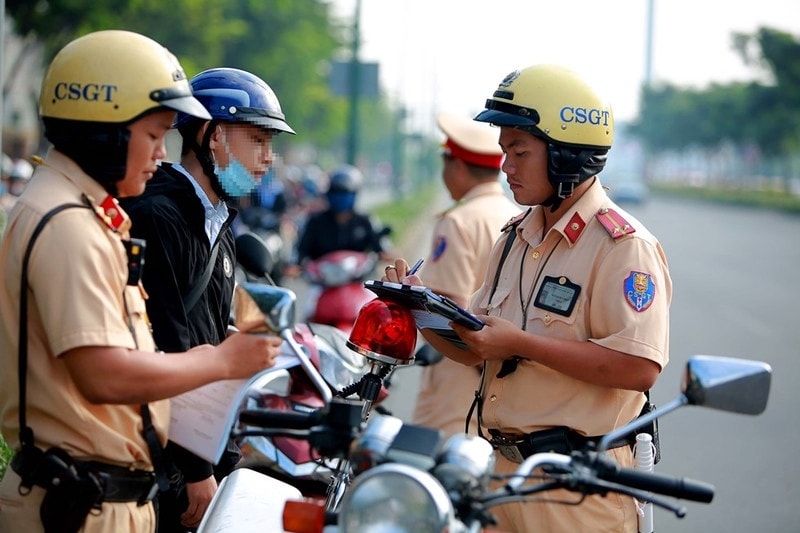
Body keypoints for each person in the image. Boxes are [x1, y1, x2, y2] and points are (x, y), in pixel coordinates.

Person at [0, 30, 282, 533]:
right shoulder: (69, 223)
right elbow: (106, 373)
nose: (159, 155)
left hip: (105, 496)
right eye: (153, 135)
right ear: (106, 131)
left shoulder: (88, 215)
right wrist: (219, 361)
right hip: (79, 502)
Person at [385, 64, 671, 532]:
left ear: (565, 154)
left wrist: (522, 344)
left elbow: (638, 368)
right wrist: (420, 309)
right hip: (500, 476)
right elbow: (476, 347)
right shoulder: (515, 237)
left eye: (519, 151)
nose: (505, 167)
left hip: (577, 491)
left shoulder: (622, 246)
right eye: (504, 151)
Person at [120, 66, 295, 532]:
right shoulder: (158, 216)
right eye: (258, 140)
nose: (267, 158)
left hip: (197, 453)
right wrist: (196, 470)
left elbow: (216, 336)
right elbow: (165, 346)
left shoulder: (218, 223)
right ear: (214, 136)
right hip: (162, 462)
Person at [411, 111, 520, 439]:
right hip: (503, 390)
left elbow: (448, 310)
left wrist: (407, 298)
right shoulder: (517, 217)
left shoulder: (458, 222)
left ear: (457, 166)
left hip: (457, 389)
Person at [291, 164, 391, 267]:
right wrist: (295, 265)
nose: (340, 198)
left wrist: (384, 254)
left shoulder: (365, 221)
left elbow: (381, 247)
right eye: (336, 192)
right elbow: (301, 250)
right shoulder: (315, 222)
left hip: (357, 277)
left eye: (345, 193)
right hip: (322, 278)